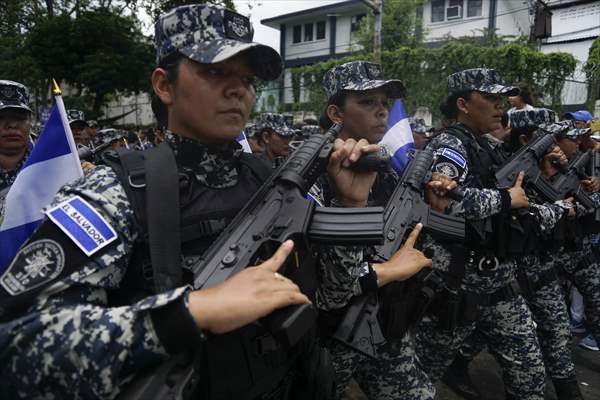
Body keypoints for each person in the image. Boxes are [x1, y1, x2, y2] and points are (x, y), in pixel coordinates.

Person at [0, 4, 379, 399]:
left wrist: (350, 204)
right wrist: (188, 313)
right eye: (215, 71)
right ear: (164, 85)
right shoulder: (115, 193)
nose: (238, 90)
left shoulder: (271, 181)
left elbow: (333, 300)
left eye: (247, 79)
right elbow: (15, 345)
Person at [315, 60, 456, 400]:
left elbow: (409, 247)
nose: (381, 112)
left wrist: (431, 213)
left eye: (383, 103)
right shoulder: (315, 176)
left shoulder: (388, 170)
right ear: (335, 113)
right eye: (367, 102)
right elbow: (319, 286)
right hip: (331, 334)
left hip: (384, 321)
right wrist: (383, 272)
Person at [415, 68, 549, 400]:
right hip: (458, 282)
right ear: (463, 103)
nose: (499, 105)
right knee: (422, 377)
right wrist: (507, 199)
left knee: (530, 374)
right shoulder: (450, 145)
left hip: (499, 279)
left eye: (500, 98)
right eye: (489, 98)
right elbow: (442, 202)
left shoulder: (482, 144)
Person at [0, 80, 33, 193]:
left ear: (30, 122)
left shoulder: (51, 164)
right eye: (2, 117)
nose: (12, 125)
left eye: (20, 118)